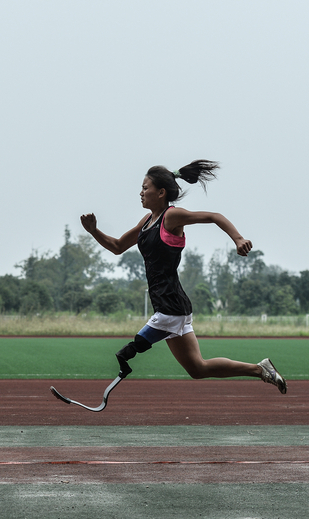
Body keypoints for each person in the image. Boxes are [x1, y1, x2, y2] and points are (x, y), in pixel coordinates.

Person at [80, 160, 287, 394]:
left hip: (170, 307)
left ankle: (260, 370)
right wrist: (93, 231)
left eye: (145, 188)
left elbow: (214, 216)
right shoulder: (147, 222)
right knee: (197, 369)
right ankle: (261, 370)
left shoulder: (171, 217)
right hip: (171, 305)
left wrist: (238, 239)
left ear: (161, 192)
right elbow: (117, 246)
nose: (141, 192)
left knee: (136, 346)